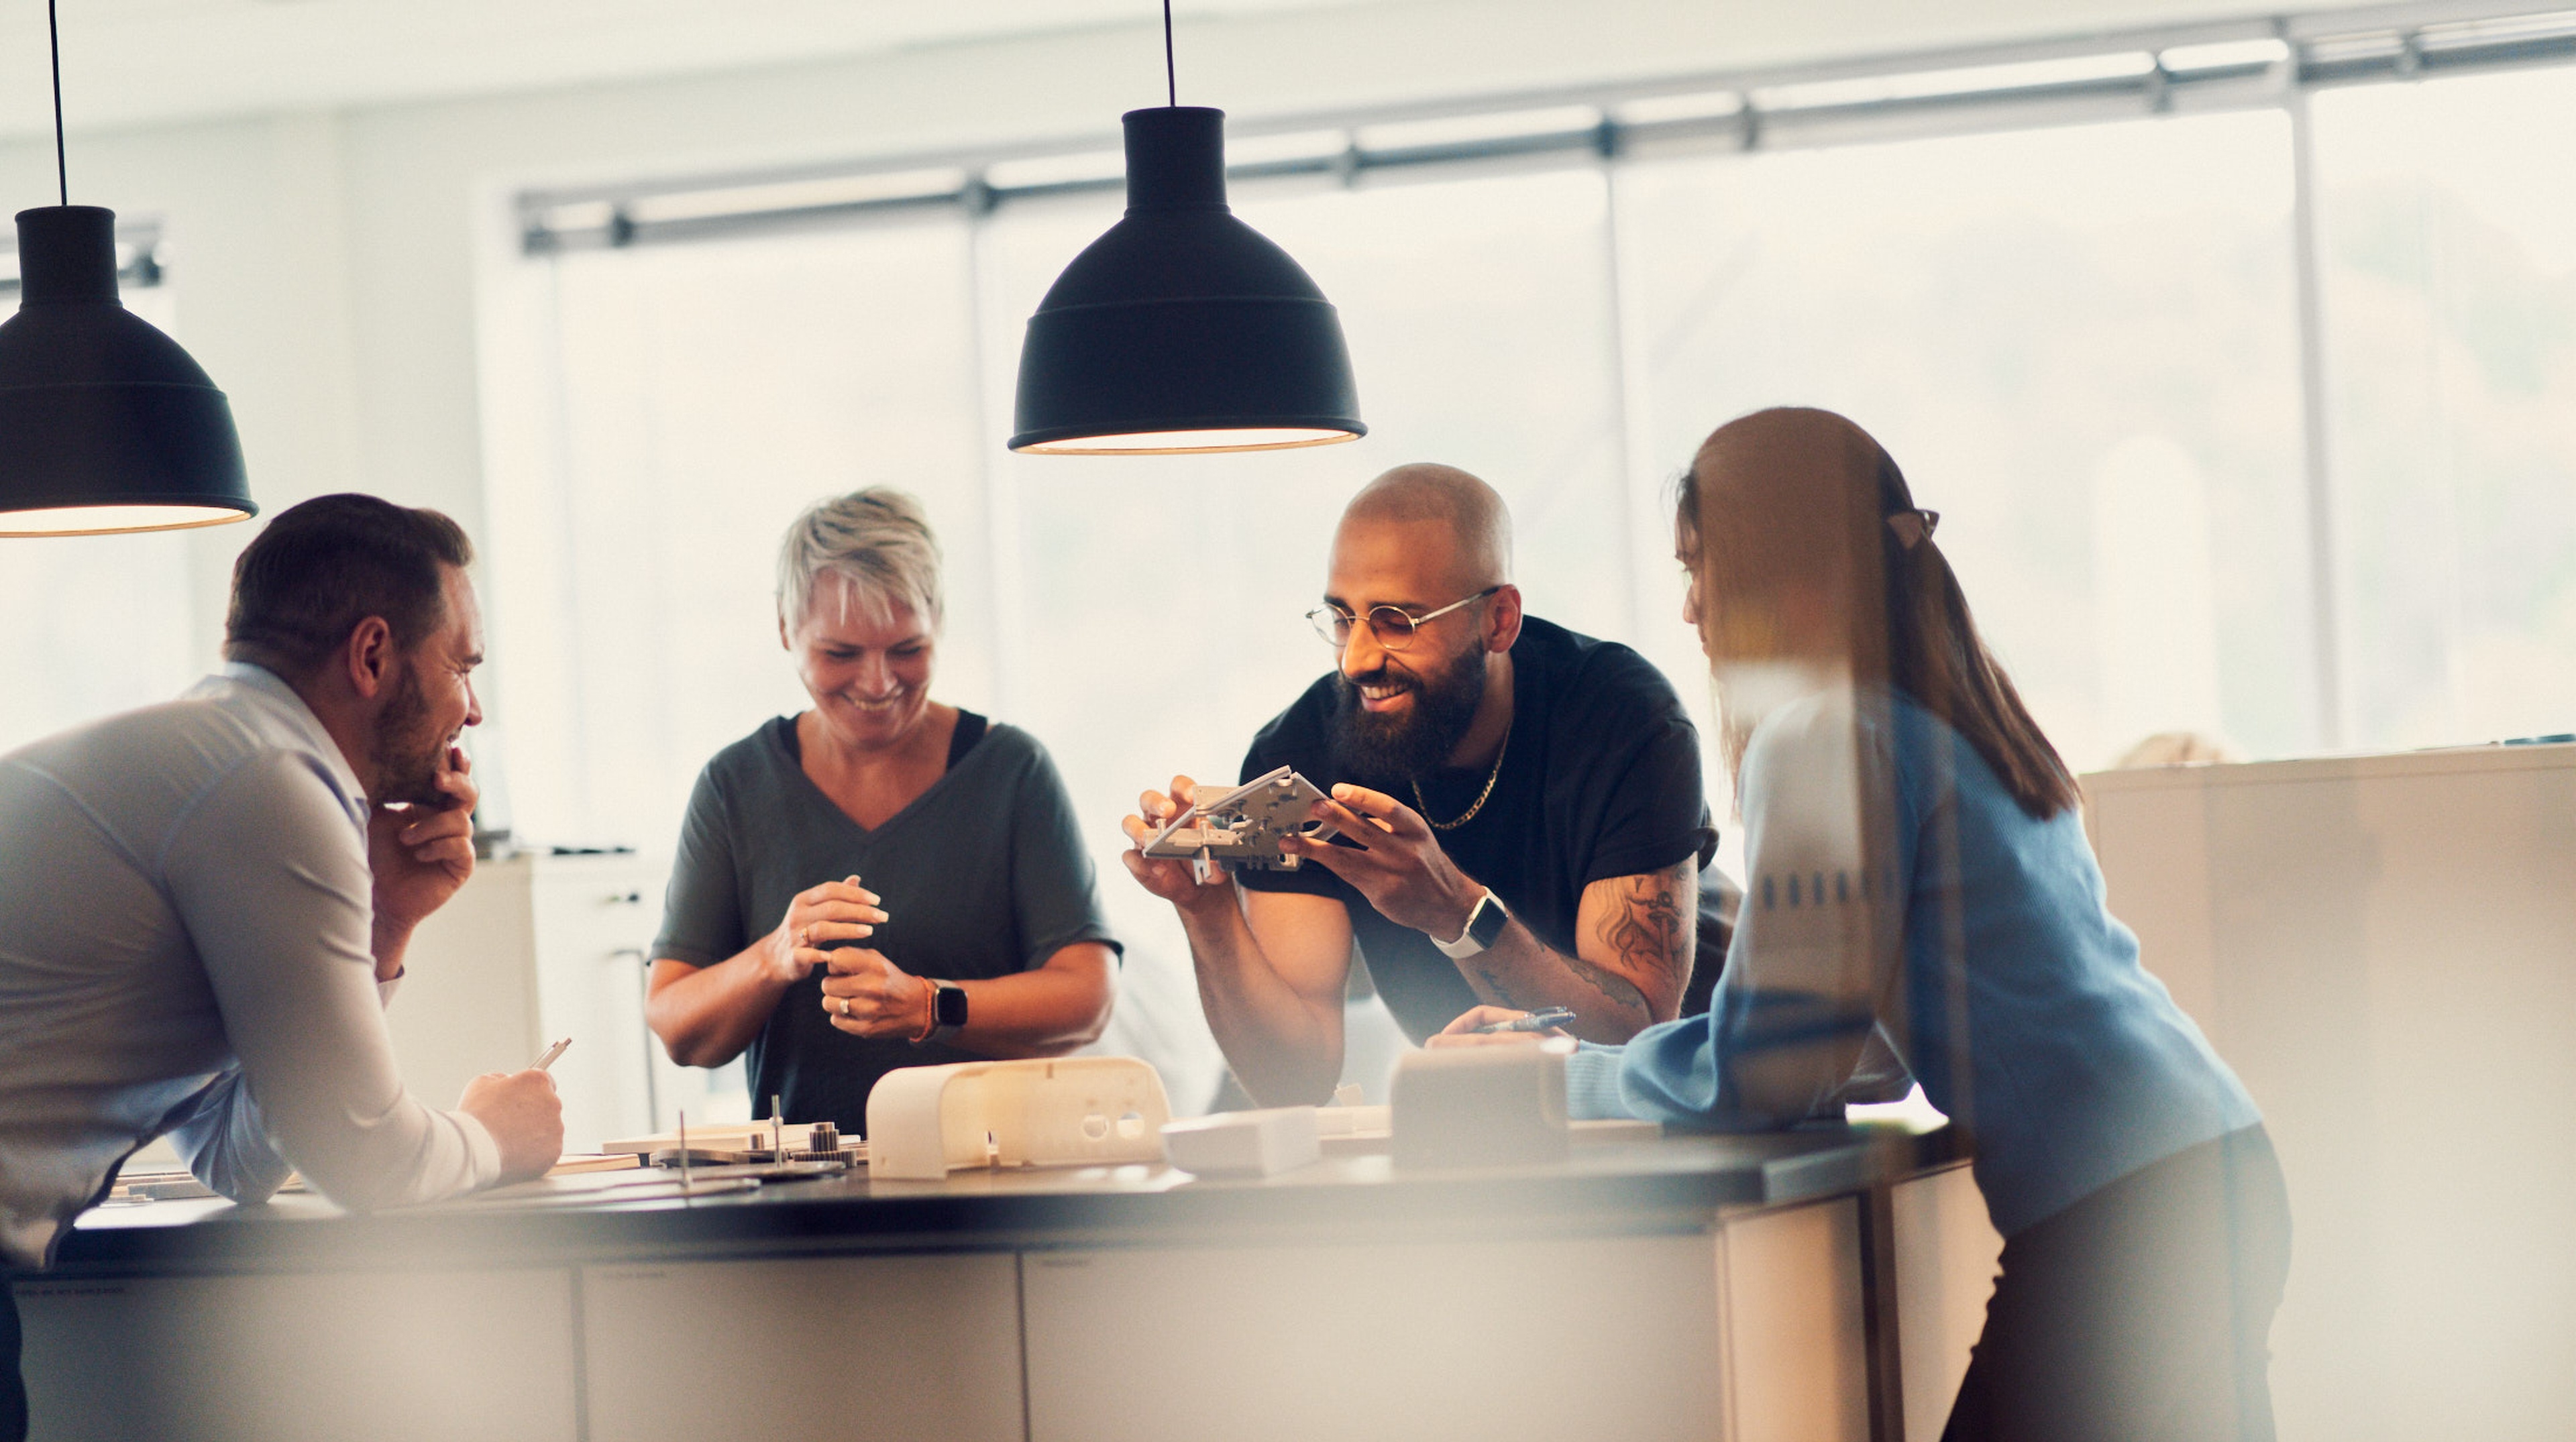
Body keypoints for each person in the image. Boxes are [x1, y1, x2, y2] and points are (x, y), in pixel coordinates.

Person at [1442, 408, 2290, 1441]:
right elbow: (1865, 1050)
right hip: (2215, 1160)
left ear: (1777, 569)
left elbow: (1775, 1064)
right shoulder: (1953, 713)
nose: (1691, 608)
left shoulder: (1822, 733)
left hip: (2132, 1217)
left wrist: (1552, 1074)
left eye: (1702, 567)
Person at [0, 494, 567, 1442]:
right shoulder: (267, 781)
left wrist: (385, 923)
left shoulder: (224, 754)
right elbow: (365, 1159)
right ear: (375, 655)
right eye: (462, 665)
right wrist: (496, 1134)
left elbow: (233, 1158)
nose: (473, 708)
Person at [1121, 463, 1725, 1107]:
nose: (1357, 659)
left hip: (1696, 1100)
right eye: (1342, 619)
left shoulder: (1621, 718)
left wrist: (1455, 912)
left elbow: (1634, 1039)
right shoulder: (1300, 754)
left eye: (1396, 622)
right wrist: (1207, 914)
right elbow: (1294, 1082)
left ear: (1499, 620)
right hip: (1484, 1121)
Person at [645, 488, 1118, 1130]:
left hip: (1000, 1179)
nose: (877, 683)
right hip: (803, 1201)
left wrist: (929, 1007)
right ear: (786, 630)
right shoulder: (735, 784)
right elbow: (677, 1026)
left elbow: (1087, 999)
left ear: (939, 624)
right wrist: (775, 956)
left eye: (907, 650)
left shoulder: (1011, 771)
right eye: (840, 653)